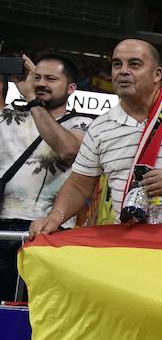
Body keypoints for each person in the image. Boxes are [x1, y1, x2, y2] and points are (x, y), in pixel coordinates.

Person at [30, 39, 162, 236]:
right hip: (132, 242)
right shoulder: (100, 127)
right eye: (117, 64)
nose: (123, 71)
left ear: (156, 74)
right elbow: (79, 184)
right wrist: (54, 218)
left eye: (135, 64)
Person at [0, 52, 94, 300]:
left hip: (44, 231)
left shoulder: (83, 123)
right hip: (2, 225)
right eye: (37, 77)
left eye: (51, 78)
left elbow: (68, 149)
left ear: (71, 88)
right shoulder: (8, 116)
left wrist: (31, 99)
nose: (41, 83)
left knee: (27, 311)